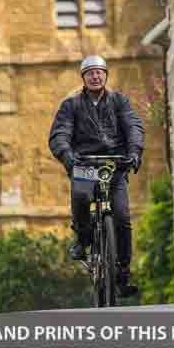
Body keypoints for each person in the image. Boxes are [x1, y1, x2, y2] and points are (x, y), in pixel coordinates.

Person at [48, 55, 144, 297]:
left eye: (99, 72)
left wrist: (134, 152)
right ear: (83, 77)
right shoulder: (70, 106)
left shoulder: (120, 101)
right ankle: (83, 239)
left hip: (115, 165)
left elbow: (133, 126)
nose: (95, 76)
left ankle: (122, 271)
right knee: (81, 198)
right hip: (84, 164)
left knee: (122, 217)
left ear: (105, 75)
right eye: (90, 73)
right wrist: (68, 157)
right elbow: (60, 135)